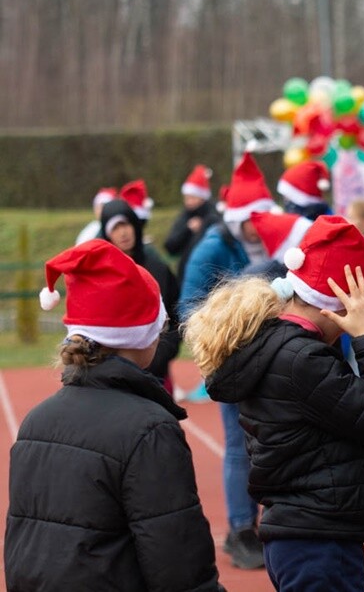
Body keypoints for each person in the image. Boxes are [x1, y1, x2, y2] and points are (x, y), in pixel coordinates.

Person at [184, 215, 364, 592]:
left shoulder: (282, 346)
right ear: (339, 303)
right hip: (318, 538)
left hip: (301, 532)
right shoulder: (302, 361)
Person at [5, 239, 221, 592]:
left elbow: (24, 547)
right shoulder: (150, 430)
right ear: (143, 333)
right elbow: (179, 564)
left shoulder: (35, 422)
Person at [178, 152, 276, 569]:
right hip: (232, 359)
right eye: (250, 218)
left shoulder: (277, 239)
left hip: (275, 359)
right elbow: (188, 310)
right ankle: (240, 529)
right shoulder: (212, 249)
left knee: (273, 442)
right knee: (239, 444)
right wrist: (224, 343)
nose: (258, 225)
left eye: (263, 216)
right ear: (236, 218)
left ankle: (273, 521)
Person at [99, 198, 181, 389]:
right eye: (115, 227)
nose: (123, 232)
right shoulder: (102, 274)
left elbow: (177, 313)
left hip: (157, 373)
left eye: (126, 224)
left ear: (135, 225)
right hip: (115, 375)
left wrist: (164, 351)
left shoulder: (158, 268)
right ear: (107, 234)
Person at [164, 164, 220, 284]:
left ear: (202, 197)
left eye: (192, 197)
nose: (188, 202)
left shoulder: (214, 216)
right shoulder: (184, 216)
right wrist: (186, 230)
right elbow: (170, 246)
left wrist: (203, 228)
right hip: (185, 275)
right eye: (187, 198)